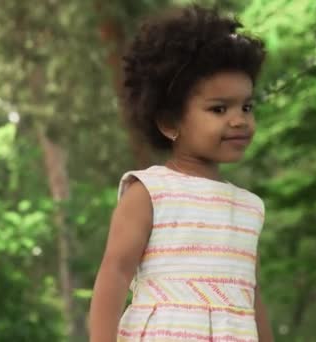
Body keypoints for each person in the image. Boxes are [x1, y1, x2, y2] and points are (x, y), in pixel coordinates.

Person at [89, 5, 273, 341]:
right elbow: (114, 273)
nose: (239, 120)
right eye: (219, 109)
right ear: (170, 123)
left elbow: (251, 294)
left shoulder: (249, 208)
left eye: (246, 106)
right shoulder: (149, 192)